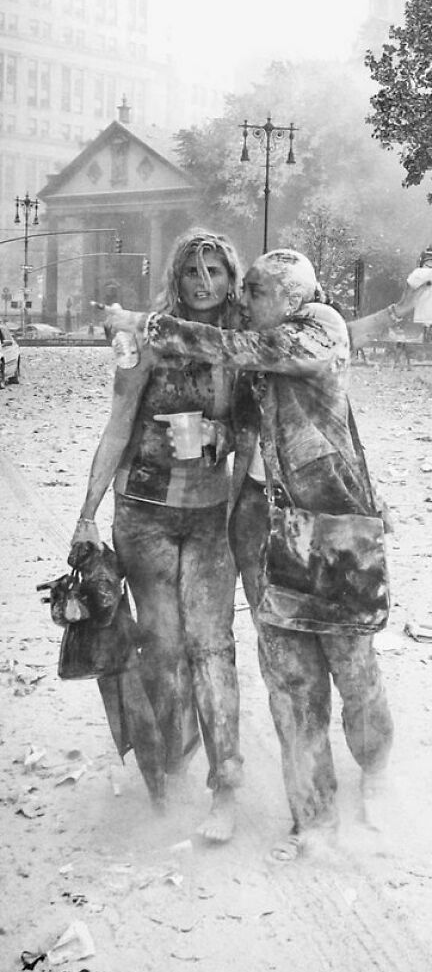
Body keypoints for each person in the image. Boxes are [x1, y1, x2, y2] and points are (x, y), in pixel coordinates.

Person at [105, 249, 395, 862]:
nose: (243, 299)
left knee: (354, 669)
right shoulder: (257, 348)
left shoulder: (317, 328)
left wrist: (146, 323)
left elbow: (251, 351)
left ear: (291, 298)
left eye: (254, 290)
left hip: (333, 531)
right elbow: (243, 425)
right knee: (291, 682)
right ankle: (312, 819)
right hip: (262, 525)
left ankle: (375, 769)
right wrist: (216, 436)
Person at [70, 229, 245, 841]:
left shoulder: (237, 344)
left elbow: (259, 426)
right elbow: (117, 426)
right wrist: (88, 512)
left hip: (209, 516)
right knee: (163, 644)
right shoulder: (145, 339)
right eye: (193, 270)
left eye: (216, 271)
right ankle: (166, 768)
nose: (204, 282)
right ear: (177, 275)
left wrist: (226, 437)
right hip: (143, 513)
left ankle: (226, 787)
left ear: (231, 278)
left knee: (213, 646)